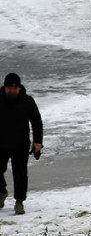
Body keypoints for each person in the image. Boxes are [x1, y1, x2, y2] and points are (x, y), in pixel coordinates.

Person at [0, 73, 43, 215]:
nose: (12, 90)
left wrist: (38, 142)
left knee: (20, 174)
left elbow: (36, 122)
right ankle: (1, 191)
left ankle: (19, 202)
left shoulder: (27, 101)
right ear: (5, 87)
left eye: (15, 88)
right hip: (1, 143)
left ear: (19, 88)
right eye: (9, 88)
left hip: (20, 143)